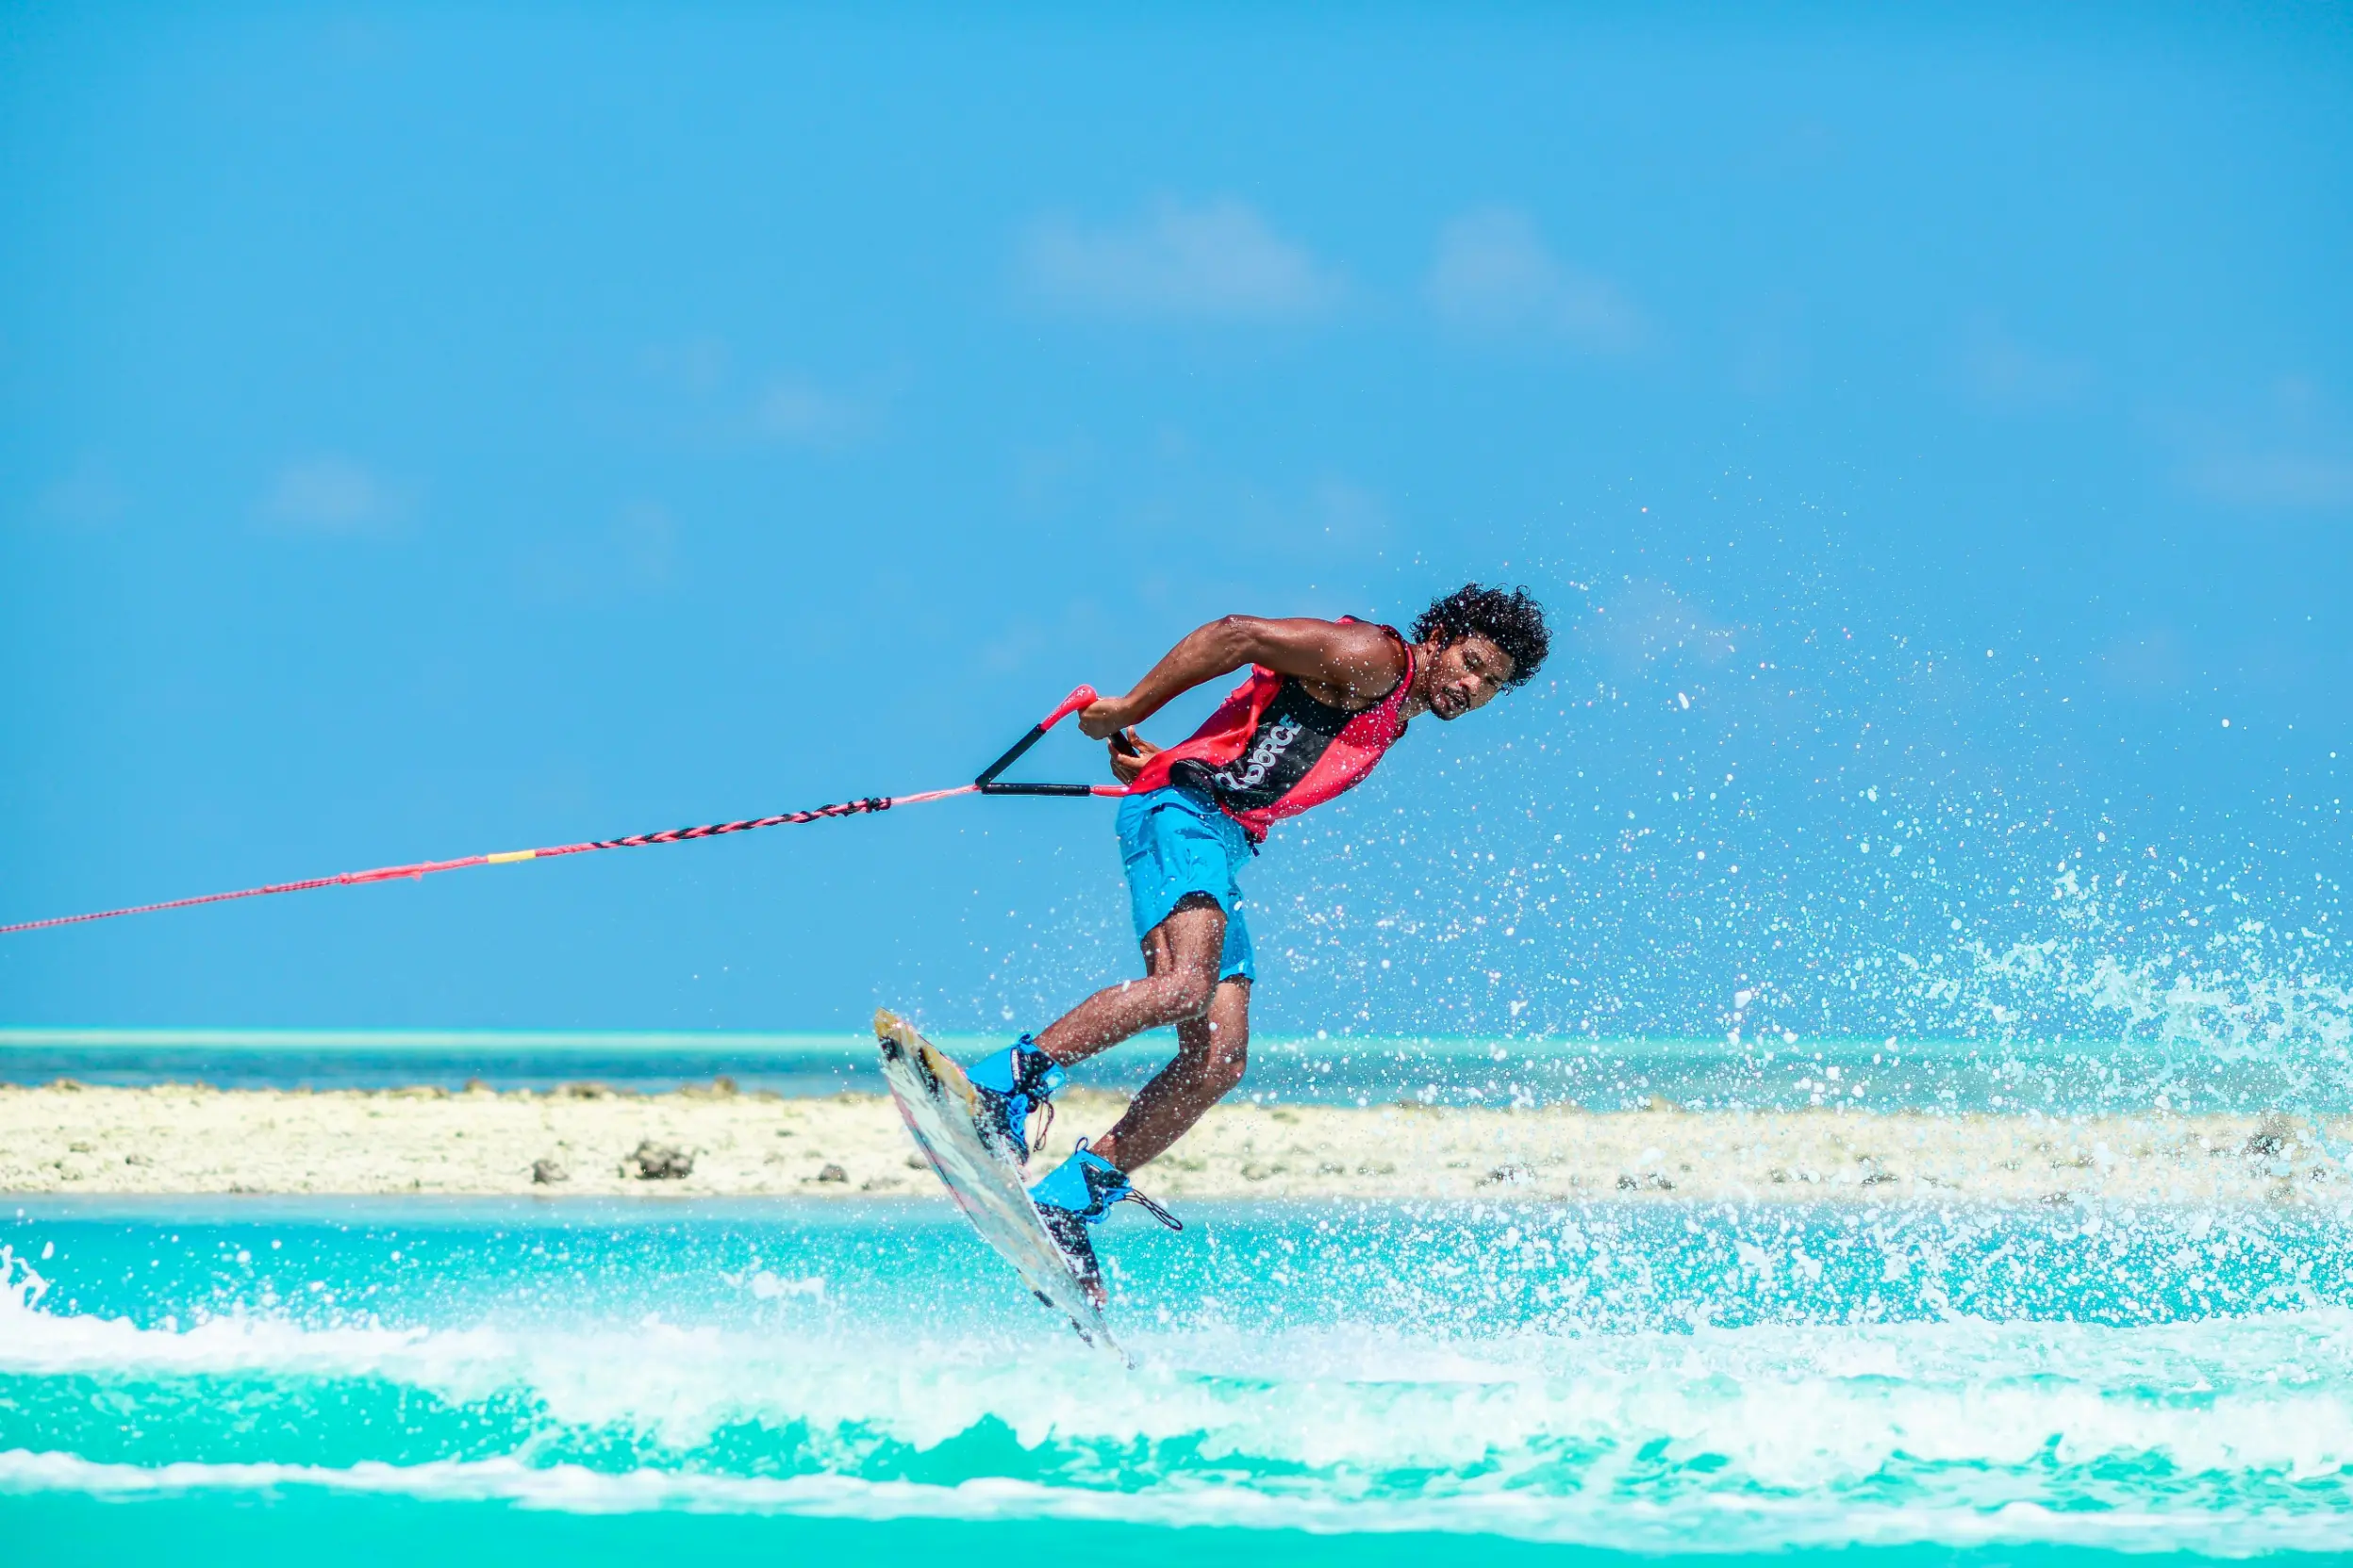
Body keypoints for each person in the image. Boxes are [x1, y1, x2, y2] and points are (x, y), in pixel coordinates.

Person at [966, 584, 1551, 1297]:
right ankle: (1003, 1086)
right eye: (1469, 662)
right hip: (1183, 817)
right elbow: (1236, 633)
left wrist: (1169, 755)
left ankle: (1068, 1199)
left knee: (1219, 1059)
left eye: (1490, 683)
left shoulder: (1396, 709)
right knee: (1184, 985)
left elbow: (1260, 740)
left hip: (1215, 828)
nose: (1470, 686)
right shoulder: (1375, 659)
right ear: (1440, 635)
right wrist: (1127, 711)